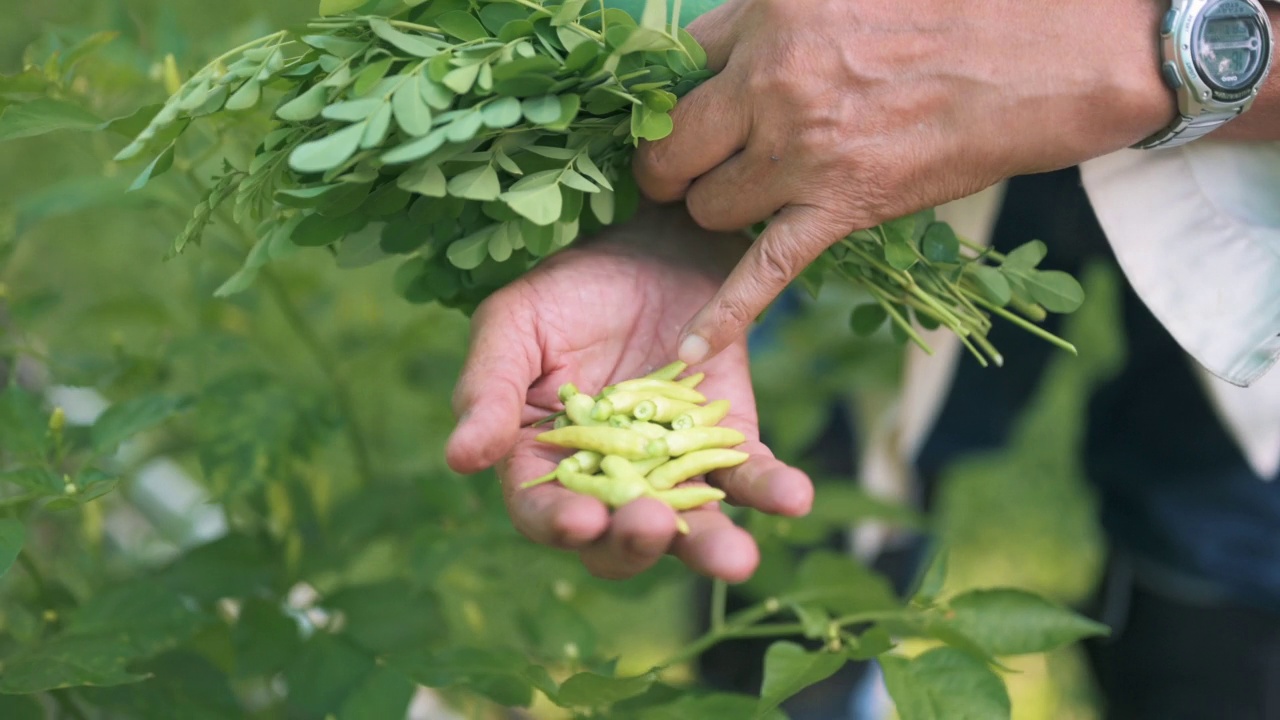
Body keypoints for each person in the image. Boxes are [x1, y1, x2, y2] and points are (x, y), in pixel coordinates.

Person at [445, 0, 1280, 715]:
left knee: (1223, 553)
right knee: (823, 456)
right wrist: (672, 193)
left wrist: (1141, 59)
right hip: (882, 82)